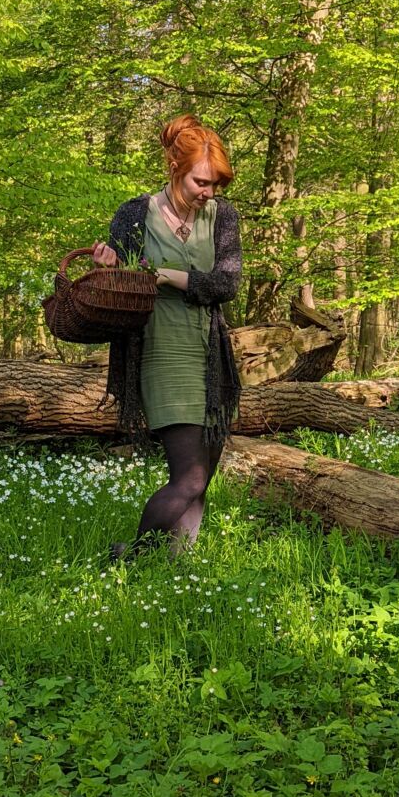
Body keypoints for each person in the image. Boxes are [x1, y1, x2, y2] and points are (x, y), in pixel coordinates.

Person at [92, 115, 242, 557]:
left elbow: (226, 284)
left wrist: (170, 275)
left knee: (205, 476)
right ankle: (132, 557)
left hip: (210, 358)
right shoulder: (136, 215)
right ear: (175, 168)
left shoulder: (223, 218)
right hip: (161, 353)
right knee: (190, 476)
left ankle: (178, 563)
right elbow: (120, 279)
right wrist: (109, 264)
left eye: (215, 183)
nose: (208, 191)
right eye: (201, 181)